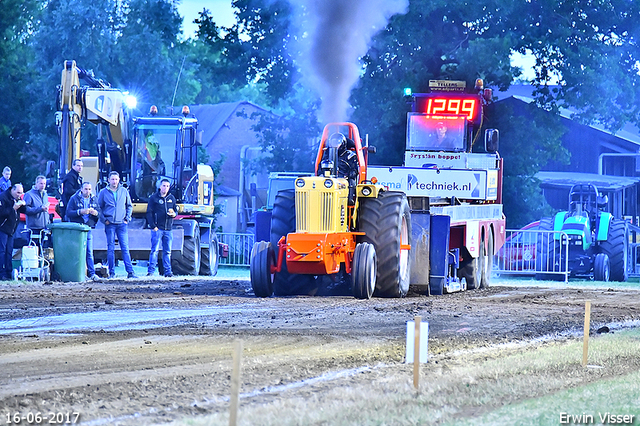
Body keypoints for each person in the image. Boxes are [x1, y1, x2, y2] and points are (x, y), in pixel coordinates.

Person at [98, 171, 137, 279]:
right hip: (109, 224)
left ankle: (130, 272)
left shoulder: (124, 191)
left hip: (122, 224)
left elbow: (129, 206)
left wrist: (127, 219)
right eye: (112, 179)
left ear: (119, 180)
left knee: (125, 248)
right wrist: (104, 220)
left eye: (116, 179)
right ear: (109, 180)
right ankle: (112, 273)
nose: (114, 181)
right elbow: (98, 207)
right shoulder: (103, 192)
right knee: (110, 248)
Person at [66, 182, 100, 281]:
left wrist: (95, 213)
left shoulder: (94, 198)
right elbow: (68, 213)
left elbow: (100, 213)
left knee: (89, 252)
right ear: (81, 189)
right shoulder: (74, 198)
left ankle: (92, 274)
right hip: (77, 229)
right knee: (78, 252)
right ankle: (79, 273)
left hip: (88, 228)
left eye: (89, 189)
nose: (88, 191)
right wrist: (80, 212)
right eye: (86, 189)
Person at [146, 179, 177, 277]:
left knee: (167, 251)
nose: (165, 188)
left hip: (168, 229)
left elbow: (175, 211)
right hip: (157, 229)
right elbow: (149, 212)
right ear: (160, 186)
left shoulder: (171, 198)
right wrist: (153, 226)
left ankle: (167, 271)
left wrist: (173, 214)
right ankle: (151, 271)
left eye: (167, 186)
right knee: (154, 251)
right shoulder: (154, 198)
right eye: (164, 186)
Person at [0, 184, 27, 280]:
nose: (19, 195)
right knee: (2, 251)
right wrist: (13, 208)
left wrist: (23, 204)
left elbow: (25, 210)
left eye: (21, 193)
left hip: (11, 229)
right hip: (2, 228)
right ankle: (2, 273)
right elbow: (1, 212)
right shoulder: (3, 197)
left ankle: (8, 272)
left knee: (9, 251)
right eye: (18, 193)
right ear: (12, 190)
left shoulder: (17, 198)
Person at [23, 176, 50, 242]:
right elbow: (26, 210)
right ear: (36, 183)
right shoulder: (29, 194)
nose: (43, 186)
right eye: (41, 183)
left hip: (44, 227)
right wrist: (40, 209)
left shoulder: (45, 194)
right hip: (33, 227)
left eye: (44, 184)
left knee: (42, 249)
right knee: (33, 249)